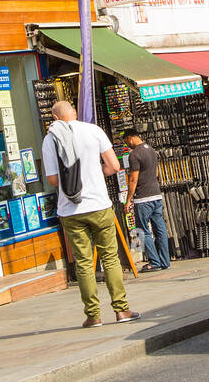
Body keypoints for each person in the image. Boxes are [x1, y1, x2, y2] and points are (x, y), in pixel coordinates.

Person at [43, 100, 140, 327]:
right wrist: (96, 174)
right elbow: (114, 166)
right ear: (75, 113)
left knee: (84, 263)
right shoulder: (94, 131)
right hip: (99, 205)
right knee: (110, 258)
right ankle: (121, 310)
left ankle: (93, 315)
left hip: (70, 210)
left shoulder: (50, 139)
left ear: (55, 119)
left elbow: (52, 180)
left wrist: (71, 183)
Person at [122, 128, 169, 273]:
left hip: (143, 198)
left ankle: (154, 262)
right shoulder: (152, 150)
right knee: (160, 229)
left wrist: (128, 200)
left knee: (143, 230)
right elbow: (155, 173)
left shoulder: (134, 154)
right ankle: (164, 261)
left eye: (126, 142)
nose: (127, 145)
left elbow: (133, 179)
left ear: (130, 138)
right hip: (156, 195)